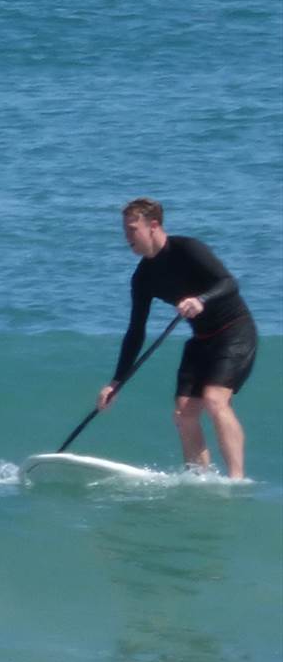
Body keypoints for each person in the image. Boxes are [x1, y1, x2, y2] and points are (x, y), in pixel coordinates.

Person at [97, 199, 253, 479]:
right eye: (125, 229)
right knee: (183, 413)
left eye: (132, 229)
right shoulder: (142, 277)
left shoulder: (187, 249)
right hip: (202, 338)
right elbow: (136, 330)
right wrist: (116, 382)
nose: (127, 236)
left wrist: (202, 299)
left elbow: (229, 283)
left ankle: (236, 479)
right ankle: (200, 479)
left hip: (234, 331)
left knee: (215, 399)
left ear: (153, 226)